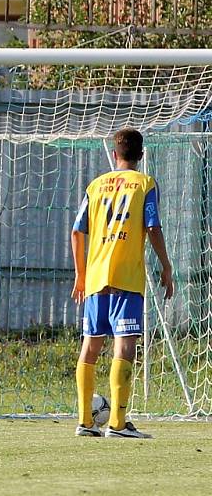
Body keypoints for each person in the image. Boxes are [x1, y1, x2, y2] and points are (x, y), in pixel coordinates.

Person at [71, 128, 173, 439]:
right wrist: (166, 267)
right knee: (125, 346)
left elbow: (77, 231)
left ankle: (85, 422)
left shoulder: (96, 185)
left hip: (96, 279)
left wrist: (80, 275)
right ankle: (117, 423)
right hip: (126, 278)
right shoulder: (145, 183)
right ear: (141, 156)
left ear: (115, 155)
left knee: (90, 348)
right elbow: (152, 226)